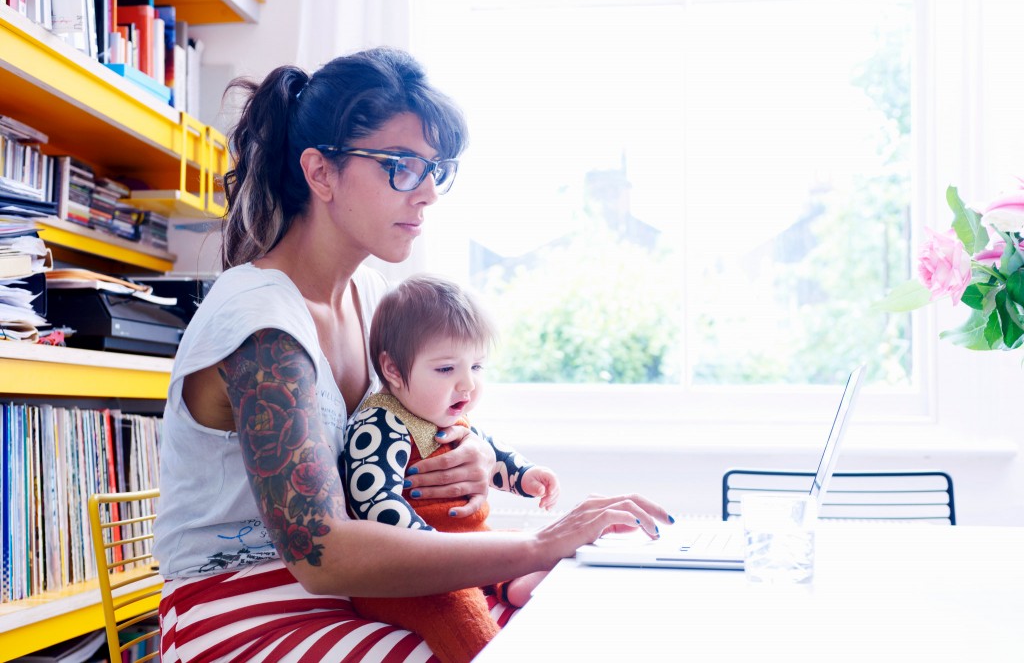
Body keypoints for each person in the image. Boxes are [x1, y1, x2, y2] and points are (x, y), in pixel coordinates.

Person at [152, 46, 672, 662]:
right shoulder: (262, 323)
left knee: (577, 626)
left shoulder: (375, 298)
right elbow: (320, 553)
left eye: (435, 169)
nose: (427, 193)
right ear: (321, 173)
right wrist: (540, 543)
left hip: (365, 589)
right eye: (400, 165)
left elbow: (413, 430)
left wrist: (470, 456)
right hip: (242, 606)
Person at [342, 274, 559, 662]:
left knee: (530, 547)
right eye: (446, 369)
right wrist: (438, 551)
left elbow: (492, 453)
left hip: (465, 546)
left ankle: (512, 585)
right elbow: (373, 502)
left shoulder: (445, 413)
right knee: (457, 608)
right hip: (410, 575)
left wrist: (526, 476)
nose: (468, 384)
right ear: (393, 370)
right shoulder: (381, 424)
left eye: (476, 366)